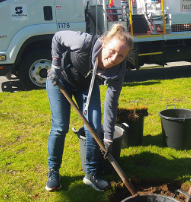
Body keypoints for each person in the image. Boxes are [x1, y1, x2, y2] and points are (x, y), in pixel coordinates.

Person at [45, 23, 134, 192]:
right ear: (105, 43)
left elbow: (111, 104)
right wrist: (55, 65)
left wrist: (108, 138)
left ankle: (91, 174)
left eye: (121, 56)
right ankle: (53, 171)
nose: (115, 58)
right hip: (60, 80)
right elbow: (58, 37)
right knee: (60, 126)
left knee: (93, 127)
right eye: (113, 51)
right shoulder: (84, 42)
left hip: (86, 86)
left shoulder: (119, 71)